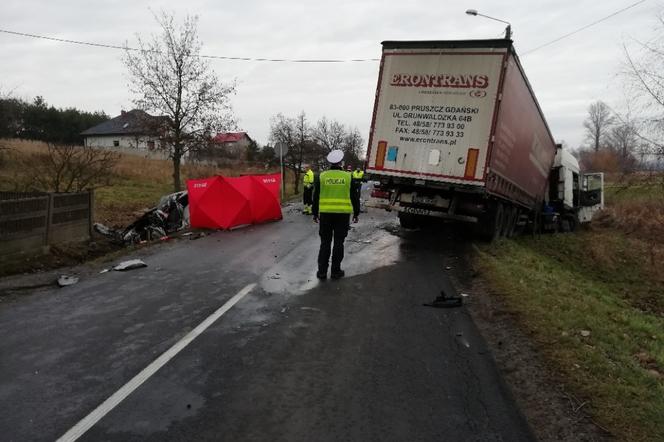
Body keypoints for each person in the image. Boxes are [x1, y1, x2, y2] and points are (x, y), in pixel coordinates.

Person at [312, 150, 360, 280]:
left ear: (329, 162)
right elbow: (354, 197)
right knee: (339, 242)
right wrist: (356, 213)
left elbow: (315, 196)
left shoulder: (321, 176)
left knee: (325, 243)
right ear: (341, 162)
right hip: (342, 215)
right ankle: (335, 271)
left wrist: (315, 213)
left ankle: (322, 272)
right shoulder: (348, 176)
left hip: (326, 215)